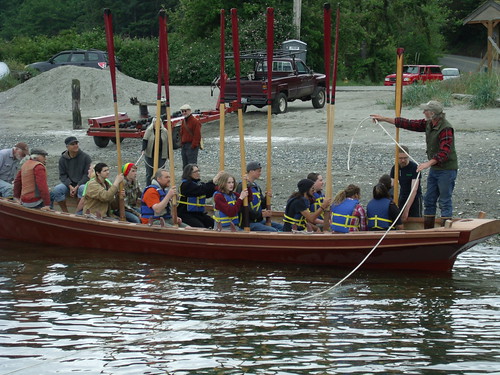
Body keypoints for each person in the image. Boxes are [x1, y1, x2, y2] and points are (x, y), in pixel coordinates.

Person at [371, 100, 458, 228]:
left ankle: (447, 229)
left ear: (432, 113)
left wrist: (428, 164)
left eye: (426, 110)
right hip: (435, 168)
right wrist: (383, 119)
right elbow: (408, 123)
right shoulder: (428, 123)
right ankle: (428, 229)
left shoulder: (446, 128)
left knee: (444, 201)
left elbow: (445, 152)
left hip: (447, 170)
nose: (423, 112)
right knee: (429, 200)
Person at [235, 161, 283, 232]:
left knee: (282, 227)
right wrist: (261, 215)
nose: (260, 173)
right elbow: (243, 207)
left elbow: (262, 205)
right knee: (273, 231)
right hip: (248, 223)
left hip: (258, 220)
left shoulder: (256, 187)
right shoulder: (242, 186)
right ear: (251, 171)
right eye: (258, 171)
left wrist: (267, 198)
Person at [51, 136, 92, 212]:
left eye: (76, 143)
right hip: (68, 184)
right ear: (67, 147)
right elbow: (62, 175)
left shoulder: (86, 157)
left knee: (82, 189)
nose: (76, 145)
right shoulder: (62, 159)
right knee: (57, 190)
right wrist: (70, 186)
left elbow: (87, 175)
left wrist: (77, 186)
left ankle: (78, 211)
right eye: (72, 144)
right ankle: (65, 211)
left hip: (82, 183)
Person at [178, 164, 223, 228]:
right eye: (195, 172)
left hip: (198, 214)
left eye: (198, 171)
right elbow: (201, 189)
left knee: (214, 224)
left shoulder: (199, 183)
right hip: (186, 214)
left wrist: (218, 187)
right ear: (189, 173)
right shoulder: (186, 185)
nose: (198, 173)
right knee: (199, 227)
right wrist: (213, 180)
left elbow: (207, 193)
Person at [390, 145, 422, 221]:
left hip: (415, 198)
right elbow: (392, 186)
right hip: (402, 197)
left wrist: (407, 210)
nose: (403, 160)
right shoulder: (395, 168)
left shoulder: (414, 167)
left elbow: (414, 190)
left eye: (405, 158)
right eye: (401, 158)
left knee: (415, 220)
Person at [142, 119, 168, 186]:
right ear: (153, 123)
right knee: (149, 173)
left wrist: (169, 154)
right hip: (150, 154)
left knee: (160, 172)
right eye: (155, 122)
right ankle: (148, 186)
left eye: (158, 122)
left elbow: (168, 142)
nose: (157, 124)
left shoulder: (164, 131)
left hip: (161, 154)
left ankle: (160, 186)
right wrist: (143, 150)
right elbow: (145, 140)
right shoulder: (149, 131)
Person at [179, 104, 202, 169]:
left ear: (189, 111)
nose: (183, 113)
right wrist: (182, 144)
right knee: (185, 165)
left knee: (192, 165)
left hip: (191, 145)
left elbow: (197, 135)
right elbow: (182, 133)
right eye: (182, 111)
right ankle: (186, 178)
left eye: (185, 111)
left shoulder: (195, 122)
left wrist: (193, 145)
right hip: (184, 145)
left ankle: (192, 178)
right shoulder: (183, 121)